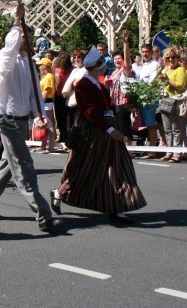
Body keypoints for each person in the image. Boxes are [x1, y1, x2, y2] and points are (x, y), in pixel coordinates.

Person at [0, 3, 58, 233]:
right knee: (24, 167)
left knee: (7, 165)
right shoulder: (4, 58)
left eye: (26, 36)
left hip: (22, 120)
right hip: (8, 120)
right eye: (22, 36)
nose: (24, 40)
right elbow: (9, 49)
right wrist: (17, 22)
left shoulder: (29, 63)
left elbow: (34, 94)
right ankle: (43, 214)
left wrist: (41, 117)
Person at [50, 46, 147, 225]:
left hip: (105, 129)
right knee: (85, 168)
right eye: (102, 65)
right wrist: (110, 130)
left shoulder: (98, 84)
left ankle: (116, 206)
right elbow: (90, 112)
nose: (104, 68)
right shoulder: (83, 85)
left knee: (116, 167)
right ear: (96, 67)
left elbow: (105, 108)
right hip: (93, 133)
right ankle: (59, 193)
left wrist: (122, 107)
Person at [157, 47, 187, 163]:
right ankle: (169, 152)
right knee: (167, 129)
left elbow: (179, 85)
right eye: (168, 57)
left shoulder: (181, 70)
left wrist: (167, 80)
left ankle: (177, 153)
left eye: (173, 57)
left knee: (176, 129)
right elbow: (159, 83)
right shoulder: (165, 70)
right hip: (165, 101)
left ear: (178, 58)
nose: (170, 59)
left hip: (176, 101)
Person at [133, 44, 161, 158]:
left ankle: (152, 150)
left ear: (151, 52)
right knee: (146, 125)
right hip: (143, 98)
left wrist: (144, 92)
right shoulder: (143, 65)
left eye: (147, 51)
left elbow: (153, 81)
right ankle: (149, 148)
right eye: (143, 52)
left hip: (151, 98)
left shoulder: (155, 64)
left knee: (151, 126)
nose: (145, 54)